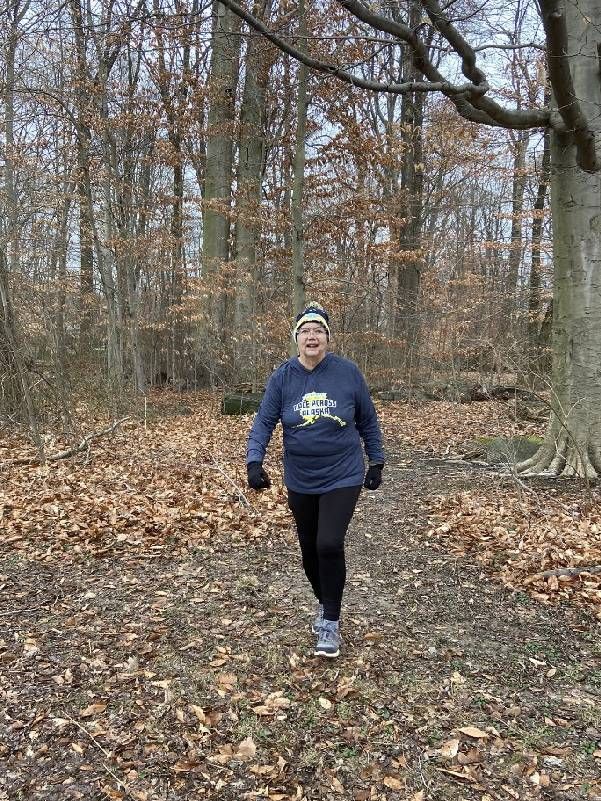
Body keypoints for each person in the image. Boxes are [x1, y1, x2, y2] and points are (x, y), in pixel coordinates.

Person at [246, 302, 385, 658]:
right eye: (306, 331)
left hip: (343, 472)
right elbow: (264, 420)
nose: (312, 336)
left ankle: (330, 623)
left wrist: (377, 461)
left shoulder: (348, 373)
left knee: (328, 543)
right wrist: (254, 460)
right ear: (297, 339)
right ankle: (325, 604)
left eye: (318, 331)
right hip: (301, 476)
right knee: (308, 548)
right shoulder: (283, 377)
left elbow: (367, 419)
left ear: (327, 338)